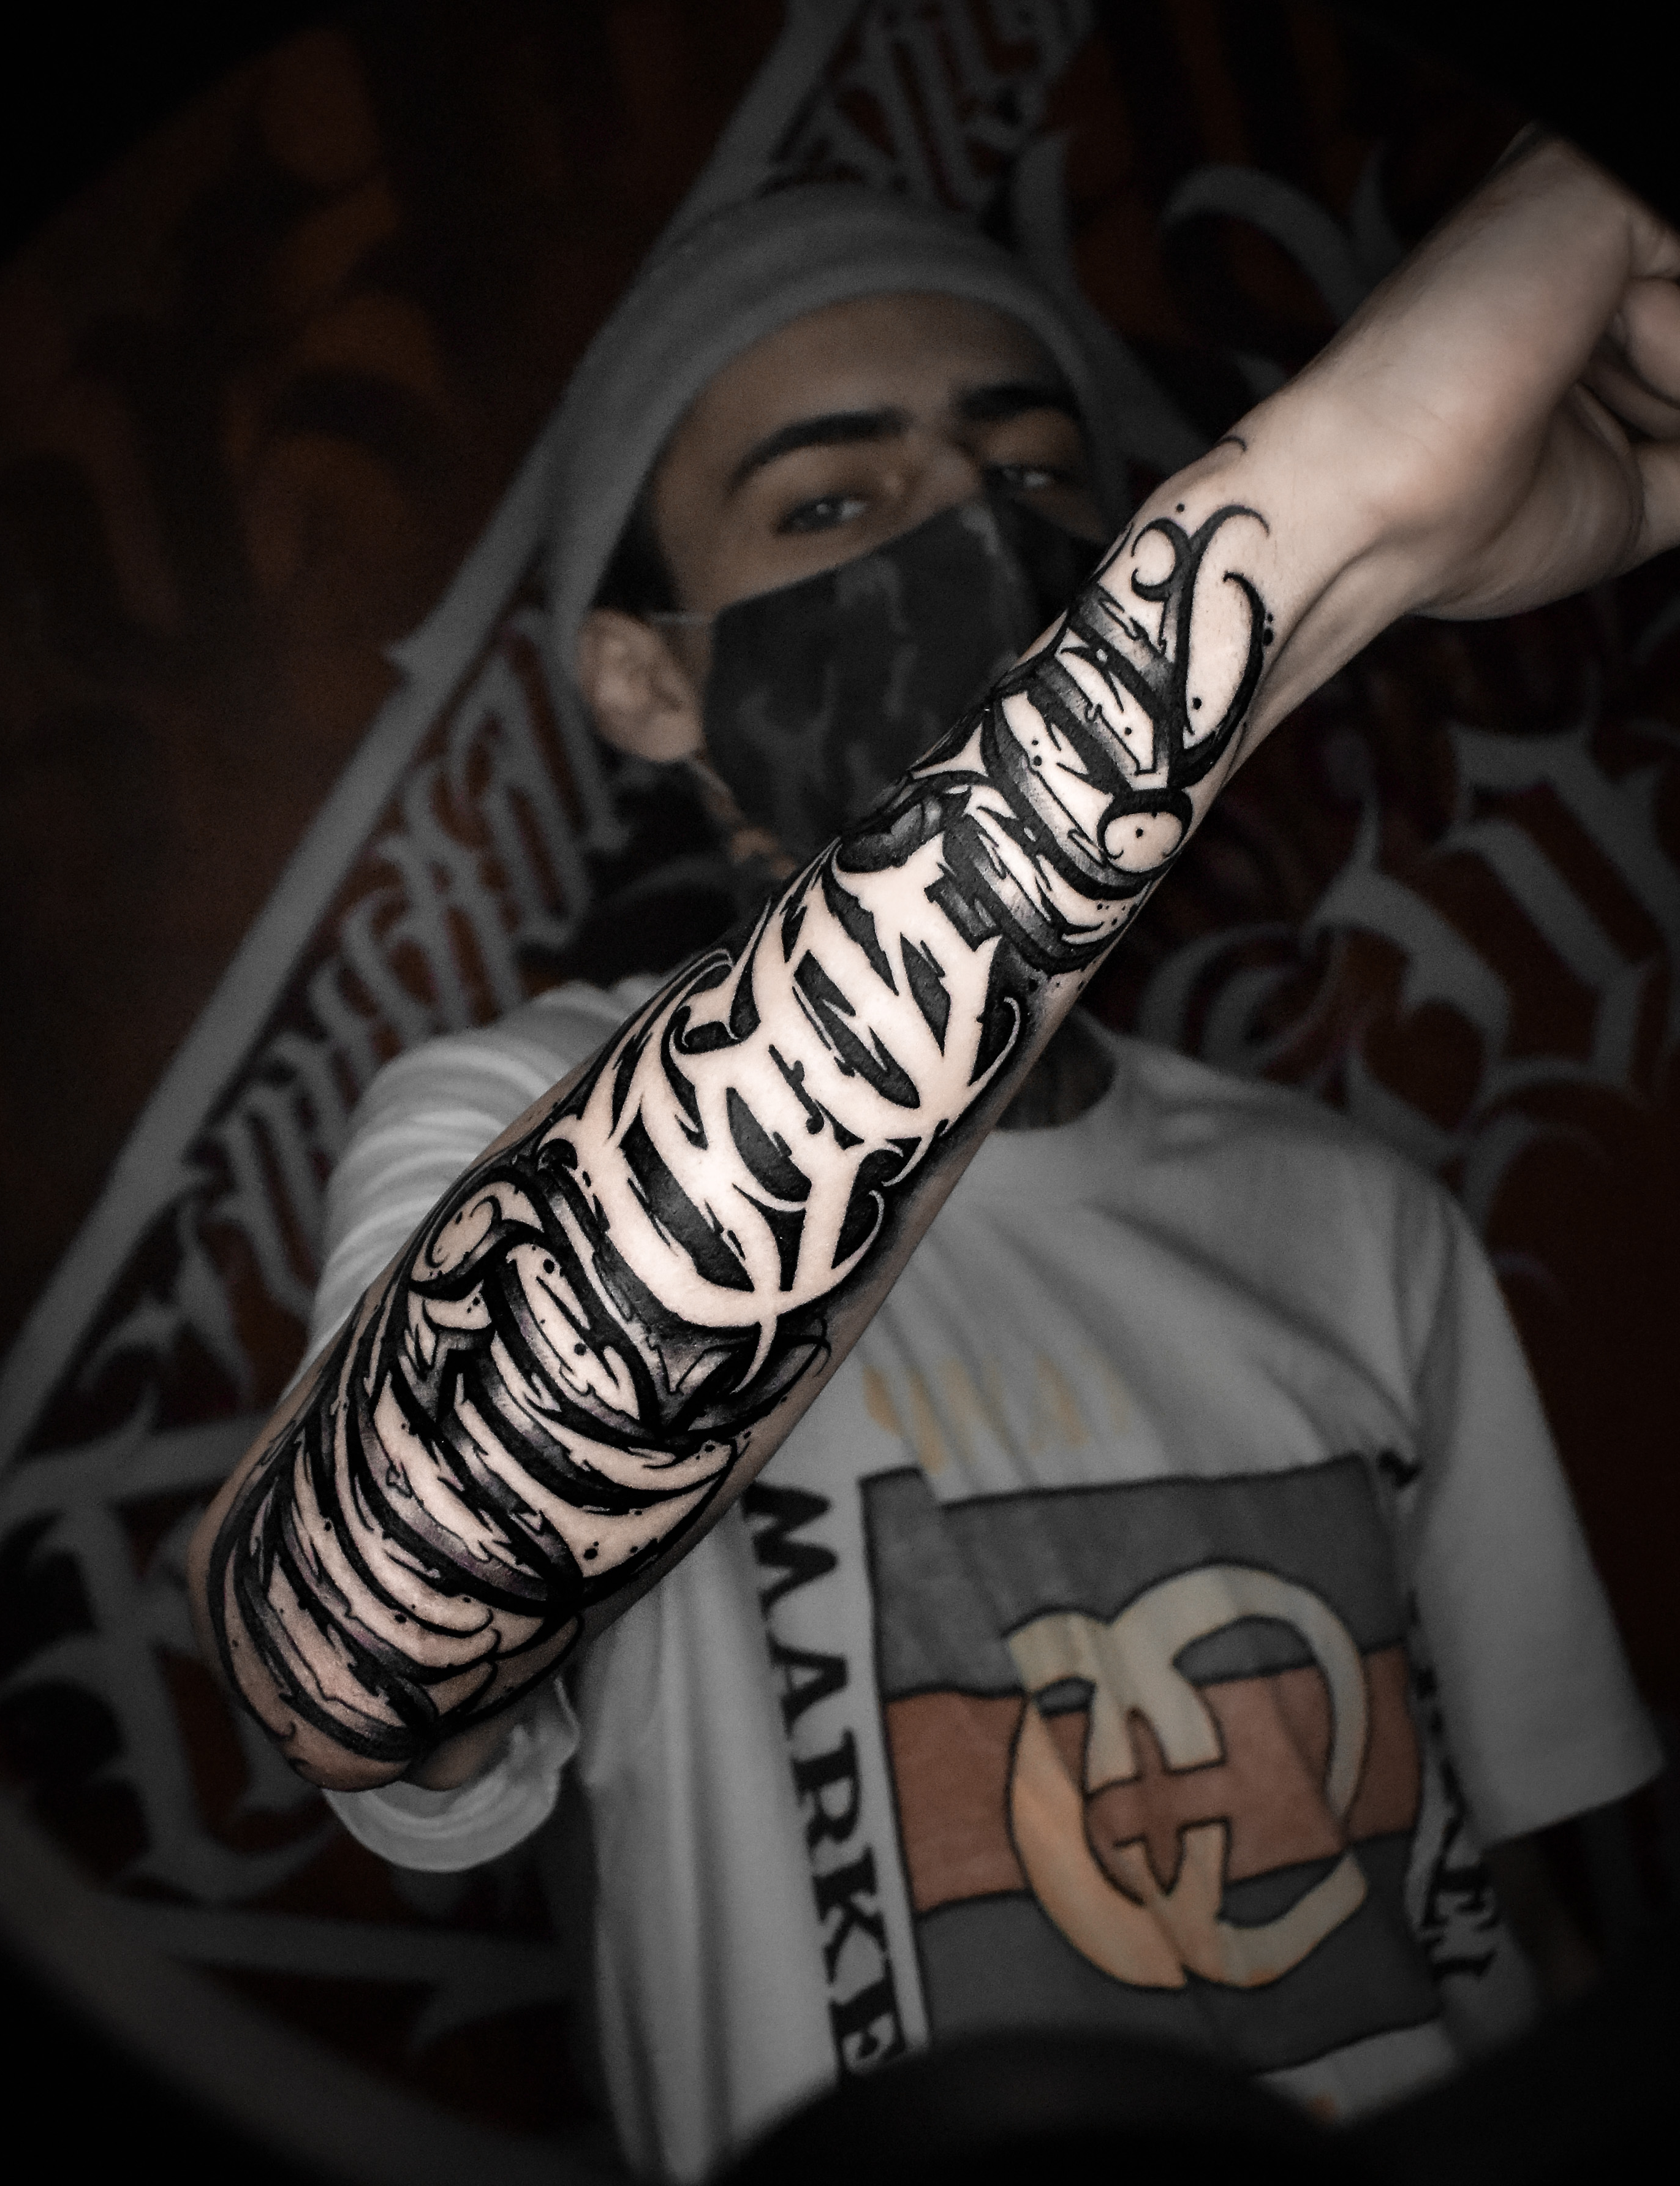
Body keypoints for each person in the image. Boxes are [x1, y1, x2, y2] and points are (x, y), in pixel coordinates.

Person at [189, 138, 1676, 2178]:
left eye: (1038, 471)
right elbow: (351, 1634)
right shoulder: (497, 1123)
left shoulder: (1357, 1213)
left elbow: (1531, 1893)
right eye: (830, 501)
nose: (974, 534)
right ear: (645, 675)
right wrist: (1314, 515)